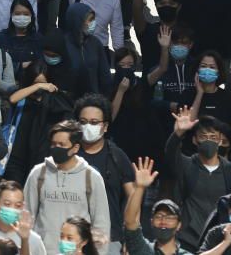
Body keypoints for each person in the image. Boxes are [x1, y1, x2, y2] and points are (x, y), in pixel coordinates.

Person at [24, 119, 111, 253]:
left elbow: (101, 223)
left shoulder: (91, 177)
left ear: (75, 147)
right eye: (53, 144)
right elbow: (26, 216)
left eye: (62, 145)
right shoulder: (38, 173)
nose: (56, 148)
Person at [164, 110, 231, 251]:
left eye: (213, 137)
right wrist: (178, 133)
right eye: (203, 136)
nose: (208, 140)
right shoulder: (186, 165)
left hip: (219, 240)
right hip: (187, 238)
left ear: (220, 140)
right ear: (195, 140)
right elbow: (170, 152)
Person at [74, 95, 134, 252]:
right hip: (72, 238)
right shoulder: (68, 155)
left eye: (94, 122)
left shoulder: (117, 157)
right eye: (83, 122)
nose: (88, 126)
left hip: (109, 238)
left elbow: (133, 198)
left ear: (105, 126)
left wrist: (131, 237)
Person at [123, 157, 189, 255]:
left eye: (169, 217)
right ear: (151, 222)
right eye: (159, 216)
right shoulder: (143, 249)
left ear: (179, 225)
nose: (163, 221)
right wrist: (140, 187)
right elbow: (130, 222)